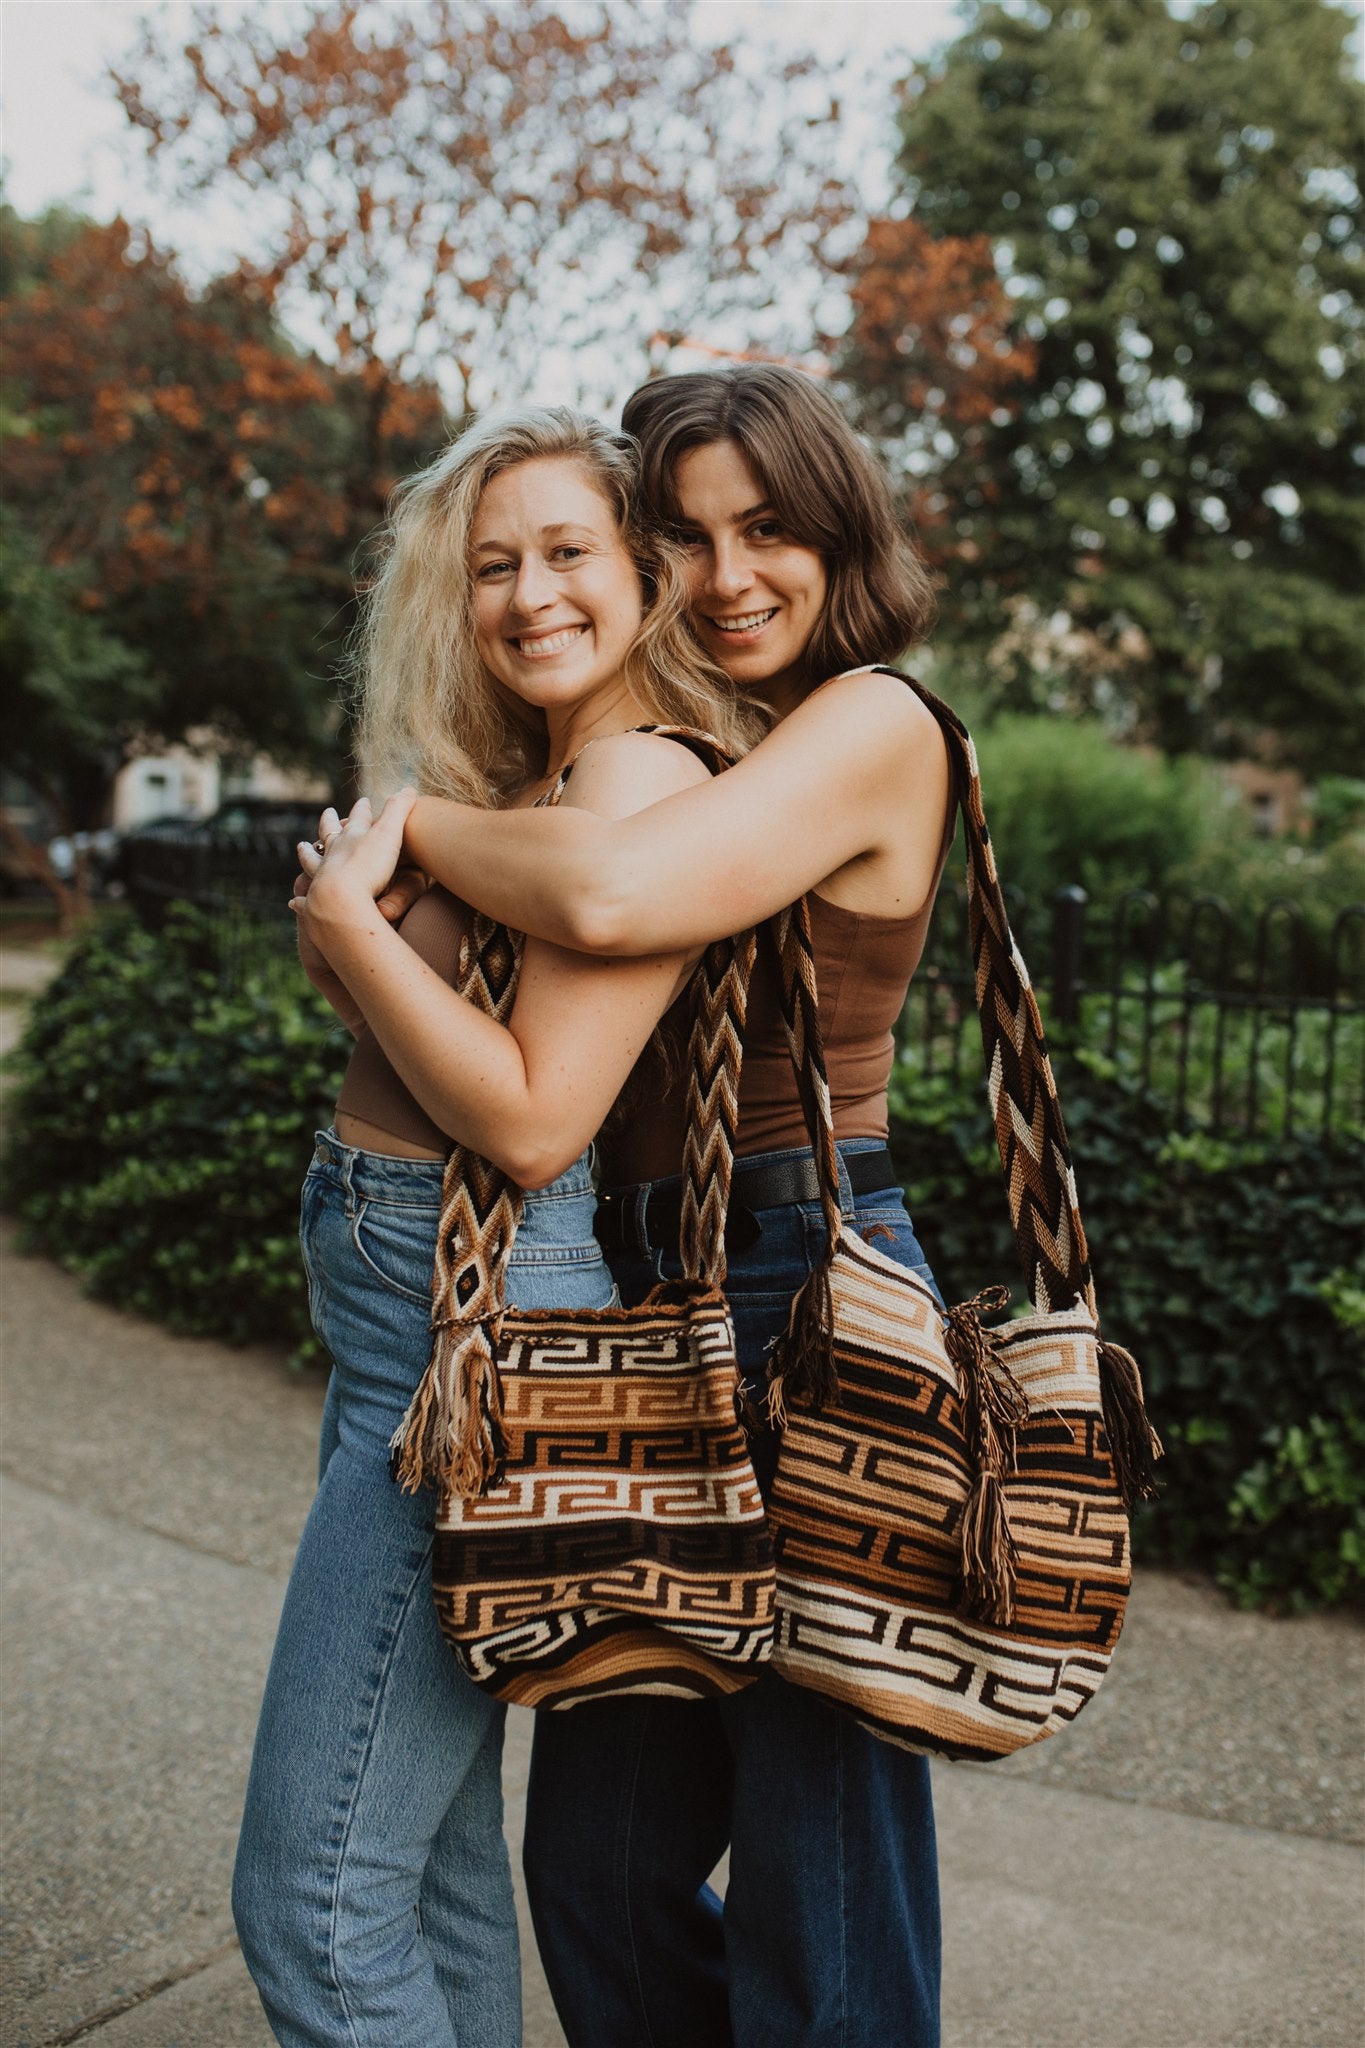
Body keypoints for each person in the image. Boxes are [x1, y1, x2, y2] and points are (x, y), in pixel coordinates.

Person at [387, 365, 955, 2048]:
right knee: (600, 1861)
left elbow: (618, 892)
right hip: (633, 1304)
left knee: (818, 1856)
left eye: (766, 530)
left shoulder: (875, 722)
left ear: (837, 535)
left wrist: (396, 827)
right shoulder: (696, 741)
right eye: (687, 536)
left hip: (811, 1282)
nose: (725, 577)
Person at [230, 405, 760, 2048]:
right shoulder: (549, 773)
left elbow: (535, 1119)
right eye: (491, 566)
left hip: (470, 1327)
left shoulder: (636, 770)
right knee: (431, 1876)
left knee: (311, 1902)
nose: (530, 595)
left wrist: (346, 928)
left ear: (645, 575)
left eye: (567, 553)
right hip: (405, 1309)